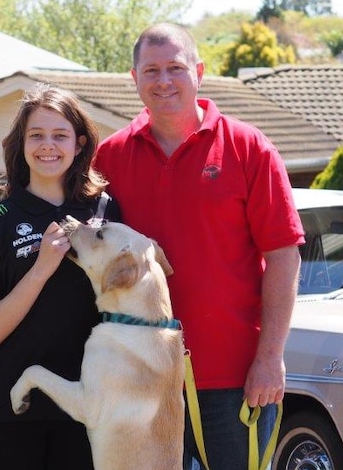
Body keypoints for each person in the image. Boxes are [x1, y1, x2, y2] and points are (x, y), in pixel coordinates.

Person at [92, 23, 305, 470]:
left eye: (175, 67)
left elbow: (284, 255)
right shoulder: (110, 157)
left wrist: (270, 359)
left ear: (199, 72)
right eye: (151, 70)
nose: (164, 80)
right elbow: (71, 231)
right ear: (134, 79)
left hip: (232, 378)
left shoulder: (249, 148)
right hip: (142, 375)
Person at [0, 83, 120, 469]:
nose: (47, 146)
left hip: (88, 403)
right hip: (12, 409)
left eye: (60, 135)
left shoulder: (105, 212)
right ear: (21, 144)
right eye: (36, 135)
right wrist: (40, 270)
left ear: (80, 142)